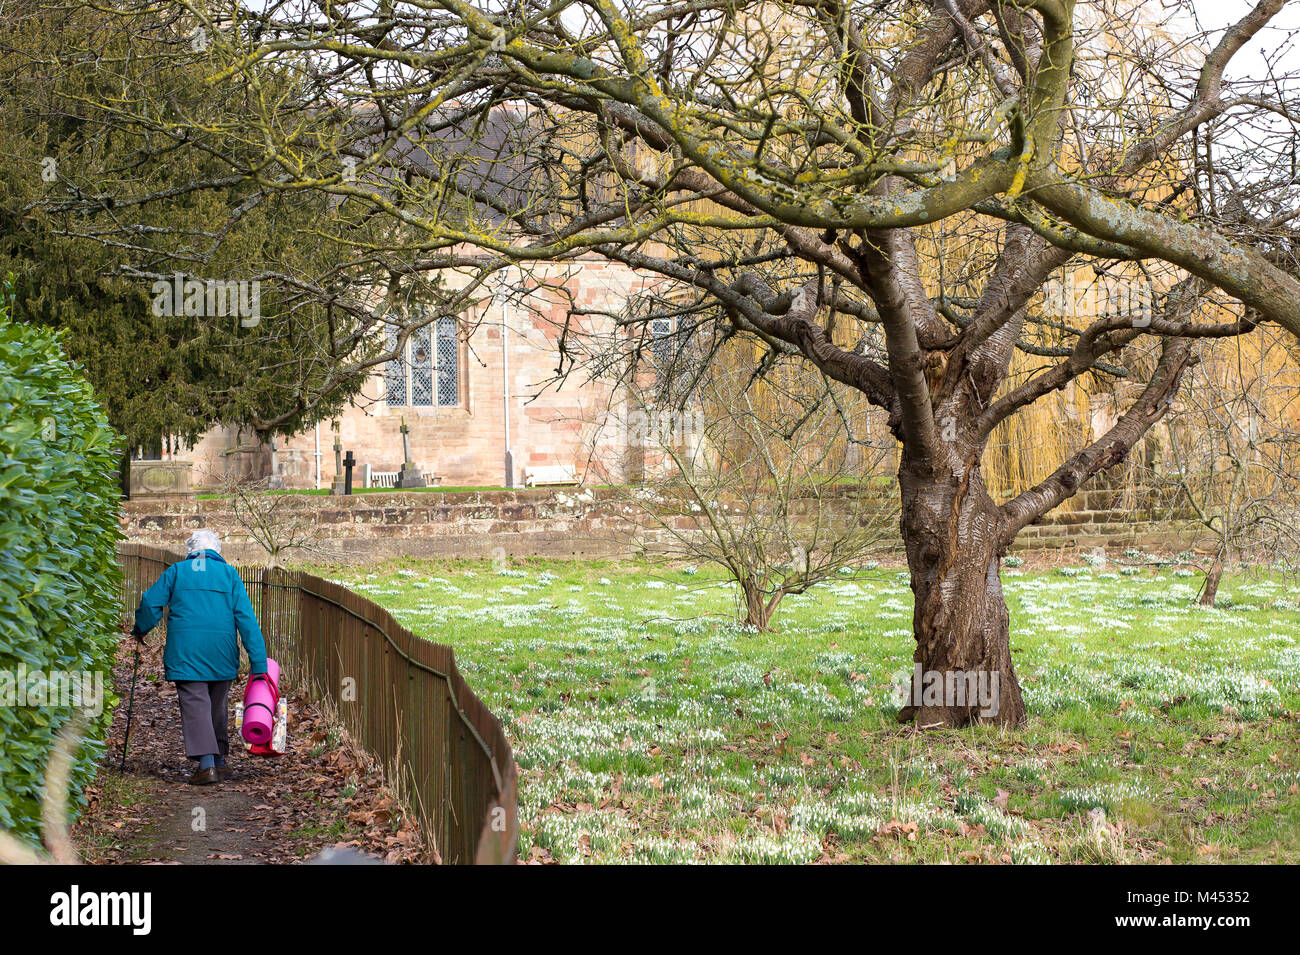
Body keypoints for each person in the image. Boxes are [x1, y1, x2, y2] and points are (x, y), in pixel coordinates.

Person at [132, 529, 267, 785]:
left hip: (187, 653)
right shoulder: (229, 575)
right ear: (217, 552)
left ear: (191, 551)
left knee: (196, 705)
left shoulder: (178, 571)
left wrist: (141, 629)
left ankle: (207, 765)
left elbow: (151, 603)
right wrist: (258, 661)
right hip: (222, 652)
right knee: (217, 705)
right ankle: (219, 761)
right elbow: (246, 619)